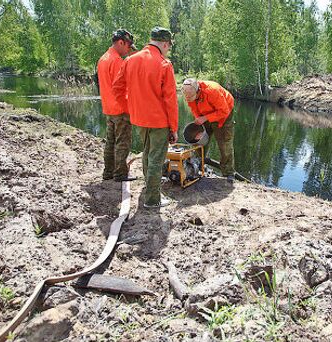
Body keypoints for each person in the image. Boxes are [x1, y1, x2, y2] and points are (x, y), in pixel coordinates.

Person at [113, 26, 178, 208]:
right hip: (159, 121)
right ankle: (152, 200)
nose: (168, 50)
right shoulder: (164, 64)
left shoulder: (130, 60)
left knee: (147, 153)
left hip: (139, 119)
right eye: (168, 46)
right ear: (165, 44)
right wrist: (173, 128)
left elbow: (117, 88)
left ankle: (149, 189)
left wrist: (131, 106)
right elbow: (170, 101)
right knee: (156, 159)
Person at [97, 29, 137, 181]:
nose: (128, 50)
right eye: (128, 46)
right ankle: (120, 174)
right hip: (121, 108)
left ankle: (108, 172)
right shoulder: (117, 61)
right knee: (122, 142)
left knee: (110, 141)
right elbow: (125, 85)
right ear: (121, 42)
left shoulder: (103, 59)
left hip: (109, 107)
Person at [181, 78, 236, 183]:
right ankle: (197, 165)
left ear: (198, 91)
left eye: (192, 97)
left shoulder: (212, 91)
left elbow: (224, 111)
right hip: (204, 114)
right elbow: (193, 108)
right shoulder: (189, 94)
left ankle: (228, 173)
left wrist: (205, 118)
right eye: (188, 98)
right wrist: (199, 120)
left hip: (224, 114)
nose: (189, 99)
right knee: (198, 142)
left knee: (225, 143)